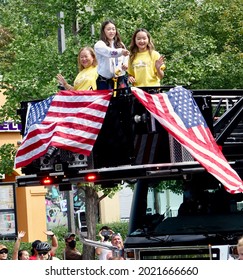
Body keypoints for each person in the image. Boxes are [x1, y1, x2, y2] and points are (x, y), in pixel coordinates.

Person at [94, 20, 130, 90]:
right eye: (108, 29)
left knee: (122, 99)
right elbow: (109, 52)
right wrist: (121, 52)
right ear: (103, 31)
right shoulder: (99, 44)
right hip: (105, 80)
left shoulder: (120, 44)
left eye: (113, 29)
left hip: (120, 78)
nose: (111, 31)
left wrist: (125, 64)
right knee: (106, 100)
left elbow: (126, 56)